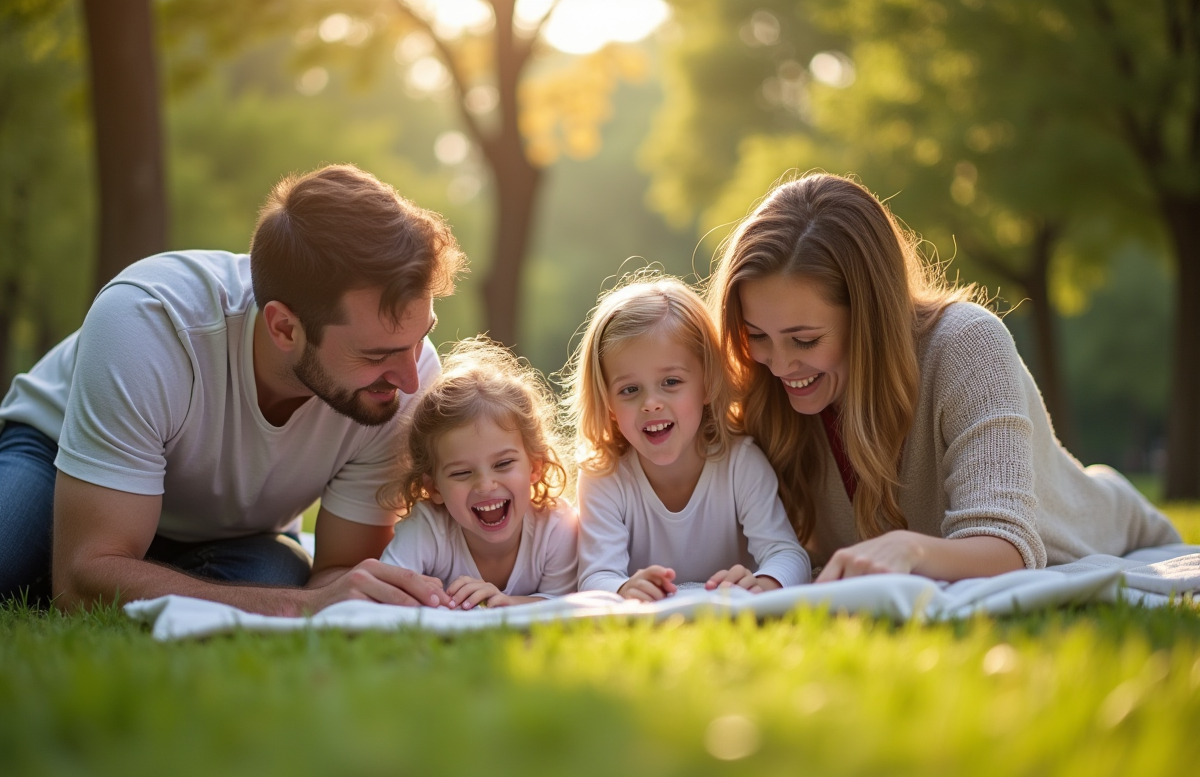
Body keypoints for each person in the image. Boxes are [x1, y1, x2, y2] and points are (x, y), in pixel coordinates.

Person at [0, 164, 467, 614]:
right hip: (57, 458)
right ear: (284, 328)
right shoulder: (147, 322)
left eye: (420, 336)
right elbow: (81, 586)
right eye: (376, 355)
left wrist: (334, 596)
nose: (410, 379)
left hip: (231, 533)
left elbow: (340, 574)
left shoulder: (408, 376)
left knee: (272, 573)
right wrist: (295, 606)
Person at [708, 172, 1181, 582]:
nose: (781, 364)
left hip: (1107, 532)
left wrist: (910, 549)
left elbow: (1007, 547)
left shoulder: (967, 343)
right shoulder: (762, 381)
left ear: (871, 316)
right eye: (756, 335)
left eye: (805, 340)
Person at [567, 275, 811, 602]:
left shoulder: (740, 462)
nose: (651, 403)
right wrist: (623, 588)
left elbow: (789, 555)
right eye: (629, 390)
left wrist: (763, 584)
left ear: (707, 384)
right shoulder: (604, 477)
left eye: (671, 381)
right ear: (608, 403)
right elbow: (596, 576)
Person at [378, 337, 578, 609]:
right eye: (461, 472)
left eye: (503, 464)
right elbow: (388, 594)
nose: (485, 485)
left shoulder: (556, 527)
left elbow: (564, 603)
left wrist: (504, 603)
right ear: (434, 488)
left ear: (535, 466)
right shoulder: (428, 528)